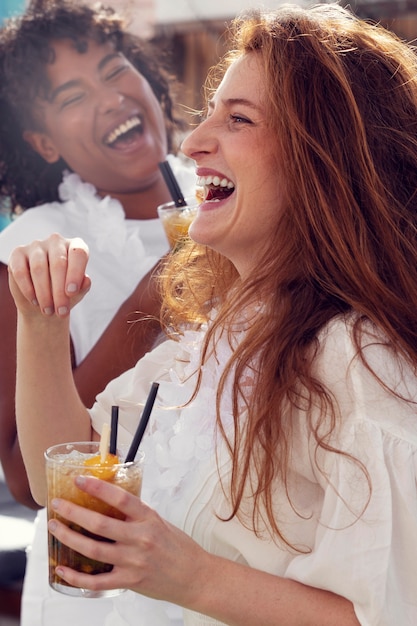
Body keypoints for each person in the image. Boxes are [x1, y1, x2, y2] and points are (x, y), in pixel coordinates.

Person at [8, 3, 417, 624]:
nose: (194, 142)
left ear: (322, 159)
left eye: (239, 118)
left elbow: (383, 614)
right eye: (207, 116)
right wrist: (42, 323)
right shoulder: (217, 328)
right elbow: (61, 480)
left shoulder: (357, 359)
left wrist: (192, 577)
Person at [0, 0, 195, 624]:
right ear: (43, 142)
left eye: (115, 70)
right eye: (72, 95)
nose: (110, 98)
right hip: (103, 589)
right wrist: (153, 300)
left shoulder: (226, 192)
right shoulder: (35, 246)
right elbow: (27, 483)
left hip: (229, 566)